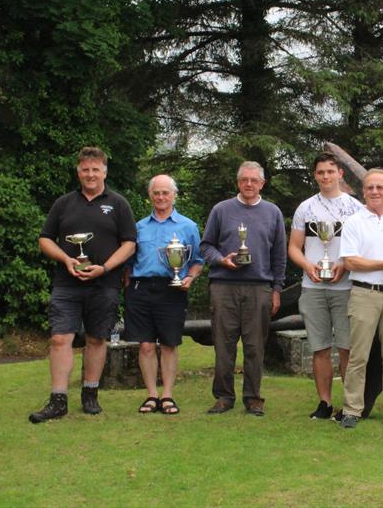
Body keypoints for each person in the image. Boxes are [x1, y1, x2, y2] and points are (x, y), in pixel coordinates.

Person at [30, 147, 137, 423]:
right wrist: (66, 258)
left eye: (95, 169)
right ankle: (58, 400)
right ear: (78, 172)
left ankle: (90, 394)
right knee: (59, 338)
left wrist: (106, 267)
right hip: (67, 283)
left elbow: (129, 243)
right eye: (85, 169)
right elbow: (45, 238)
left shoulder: (118, 203)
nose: (90, 174)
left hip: (105, 284)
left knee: (97, 338)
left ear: (104, 171)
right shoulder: (63, 203)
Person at [200, 161, 287, 417]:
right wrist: (221, 260)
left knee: (255, 346)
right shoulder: (221, 210)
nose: (249, 184)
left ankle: (253, 398)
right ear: (238, 182)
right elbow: (206, 247)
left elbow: (279, 255)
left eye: (254, 180)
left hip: (259, 287)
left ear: (262, 183)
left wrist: (277, 289)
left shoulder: (272, 212)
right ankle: (224, 397)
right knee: (223, 345)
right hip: (224, 286)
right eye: (244, 180)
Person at [288, 152, 363, 419]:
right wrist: (308, 266)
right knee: (319, 347)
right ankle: (324, 403)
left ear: (340, 174)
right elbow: (294, 248)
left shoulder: (355, 208)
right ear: (315, 175)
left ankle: (349, 405)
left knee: (346, 348)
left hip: (345, 287)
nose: (325, 176)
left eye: (330, 171)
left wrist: (345, 265)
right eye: (320, 172)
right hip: (313, 286)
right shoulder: (305, 208)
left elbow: (362, 248)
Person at [123, 175, 204, 415]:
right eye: (156, 193)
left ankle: (167, 395)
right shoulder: (138, 227)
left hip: (173, 289)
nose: (160, 197)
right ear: (150, 196)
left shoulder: (188, 226)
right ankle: (151, 395)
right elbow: (128, 260)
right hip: (140, 289)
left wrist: (190, 277)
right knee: (146, 345)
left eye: (165, 193)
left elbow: (198, 261)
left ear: (174, 195)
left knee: (169, 344)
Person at [337, 168, 383, 429]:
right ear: (364, 191)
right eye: (370, 187)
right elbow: (350, 260)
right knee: (359, 356)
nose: (375, 191)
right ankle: (352, 410)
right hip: (363, 294)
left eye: (380, 187)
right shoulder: (354, 222)